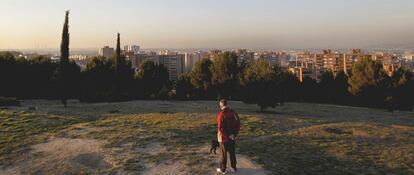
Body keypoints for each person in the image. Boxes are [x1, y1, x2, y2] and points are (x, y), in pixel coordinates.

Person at [216, 99, 241, 174]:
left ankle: (223, 169)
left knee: (223, 154)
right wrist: (234, 134)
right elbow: (238, 123)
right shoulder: (233, 112)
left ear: (221, 105)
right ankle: (233, 167)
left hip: (224, 138)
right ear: (227, 104)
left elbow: (220, 127)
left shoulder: (221, 114)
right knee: (232, 153)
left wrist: (227, 136)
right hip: (232, 137)